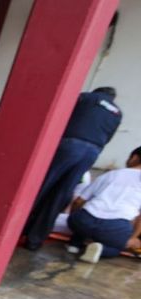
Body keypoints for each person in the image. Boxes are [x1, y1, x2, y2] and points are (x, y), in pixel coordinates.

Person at [23, 87, 123, 251]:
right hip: (92, 152)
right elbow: (108, 138)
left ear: (97, 91)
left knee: (41, 186)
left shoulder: (86, 98)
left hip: (70, 144)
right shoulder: (117, 113)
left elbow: (60, 115)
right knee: (62, 193)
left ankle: (17, 228)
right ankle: (34, 240)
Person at [66, 146, 141, 263]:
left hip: (84, 220)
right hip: (115, 228)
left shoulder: (110, 174)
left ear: (135, 157)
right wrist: (133, 238)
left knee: (83, 225)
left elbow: (78, 201)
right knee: (117, 247)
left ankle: (74, 243)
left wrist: (74, 218)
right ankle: (100, 250)